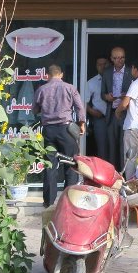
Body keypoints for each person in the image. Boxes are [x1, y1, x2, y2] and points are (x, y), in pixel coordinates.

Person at [33, 64, 86, 207]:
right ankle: (69, 202)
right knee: (71, 164)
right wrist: (82, 123)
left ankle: (49, 202)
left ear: (47, 76)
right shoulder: (70, 88)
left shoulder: (41, 89)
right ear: (61, 74)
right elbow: (80, 107)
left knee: (50, 165)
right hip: (66, 130)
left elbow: (35, 110)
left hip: (48, 130)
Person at [116, 59, 138, 179]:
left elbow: (124, 103)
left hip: (133, 128)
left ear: (135, 69)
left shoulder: (136, 83)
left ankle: (130, 187)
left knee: (130, 160)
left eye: (131, 68)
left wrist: (117, 111)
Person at [100, 46, 132, 170]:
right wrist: (107, 97)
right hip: (112, 113)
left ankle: (125, 173)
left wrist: (127, 96)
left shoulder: (130, 72)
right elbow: (102, 93)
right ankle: (113, 174)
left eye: (122, 57)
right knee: (112, 146)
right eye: (117, 58)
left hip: (126, 113)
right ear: (111, 59)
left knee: (124, 146)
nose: (120, 60)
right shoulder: (107, 72)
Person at [83, 56, 111, 163]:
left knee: (116, 147)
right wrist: (92, 112)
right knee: (102, 149)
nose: (102, 66)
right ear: (96, 66)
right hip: (100, 119)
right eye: (99, 64)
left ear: (109, 64)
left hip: (115, 118)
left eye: (105, 64)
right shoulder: (91, 83)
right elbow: (84, 102)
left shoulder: (115, 80)